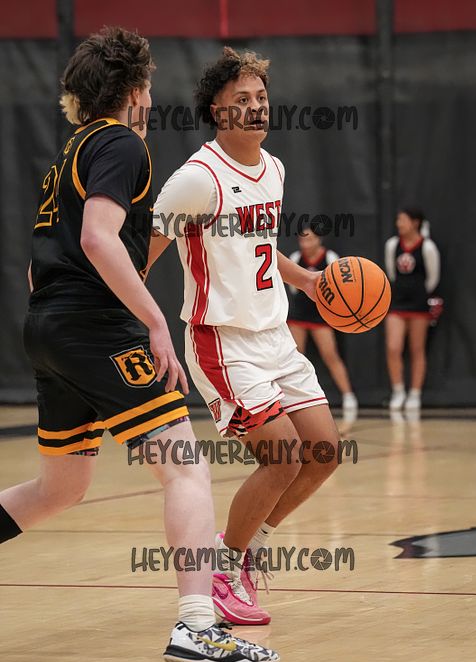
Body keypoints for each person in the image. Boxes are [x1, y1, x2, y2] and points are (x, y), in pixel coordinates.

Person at [0, 28, 278, 662]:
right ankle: (197, 627)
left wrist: (62, 326)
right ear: (133, 90)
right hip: (96, 326)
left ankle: (197, 624)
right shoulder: (122, 143)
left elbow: (40, 264)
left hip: (48, 326)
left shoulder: (70, 150)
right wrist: (152, 321)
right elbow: (99, 239)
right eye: (147, 86)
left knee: (59, 487)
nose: (150, 99)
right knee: (186, 468)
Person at [150, 47, 341, 625]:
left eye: (261, 97)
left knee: (324, 451)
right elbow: (140, 255)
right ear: (218, 111)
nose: (257, 107)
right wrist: (139, 322)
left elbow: (259, 246)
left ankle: (243, 548)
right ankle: (222, 570)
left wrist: (305, 279)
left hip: (273, 334)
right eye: (243, 99)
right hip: (222, 340)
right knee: (282, 457)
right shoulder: (197, 179)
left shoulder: (273, 169)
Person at [287, 227, 358, 411]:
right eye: (302, 240)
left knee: (330, 355)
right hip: (299, 314)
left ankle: (348, 395)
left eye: (310, 239)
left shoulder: (330, 258)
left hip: (321, 315)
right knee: (295, 357)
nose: (305, 244)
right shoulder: (295, 258)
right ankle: (294, 399)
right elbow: (293, 289)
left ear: (319, 240)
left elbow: (339, 288)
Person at [384, 207, 441, 411]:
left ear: (415, 222)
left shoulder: (427, 247)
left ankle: (415, 394)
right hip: (397, 302)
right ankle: (398, 391)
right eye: (398, 220)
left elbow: (433, 278)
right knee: (393, 347)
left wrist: (419, 294)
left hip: (418, 304)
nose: (399, 224)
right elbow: (391, 273)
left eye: (403, 220)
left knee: (417, 349)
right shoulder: (392, 245)